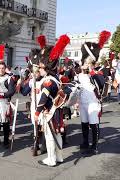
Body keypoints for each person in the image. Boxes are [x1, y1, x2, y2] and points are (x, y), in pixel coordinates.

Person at [35, 34, 70, 167]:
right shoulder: (55, 78)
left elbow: (43, 98)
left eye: (41, 68)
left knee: (50, 136)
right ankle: (59, 157)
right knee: (57, 135)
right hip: (56, 111)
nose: (39, 70)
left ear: (46, 67)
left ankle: (51, 159)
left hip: (50, 112)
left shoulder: (48, 81)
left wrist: (37, 113)